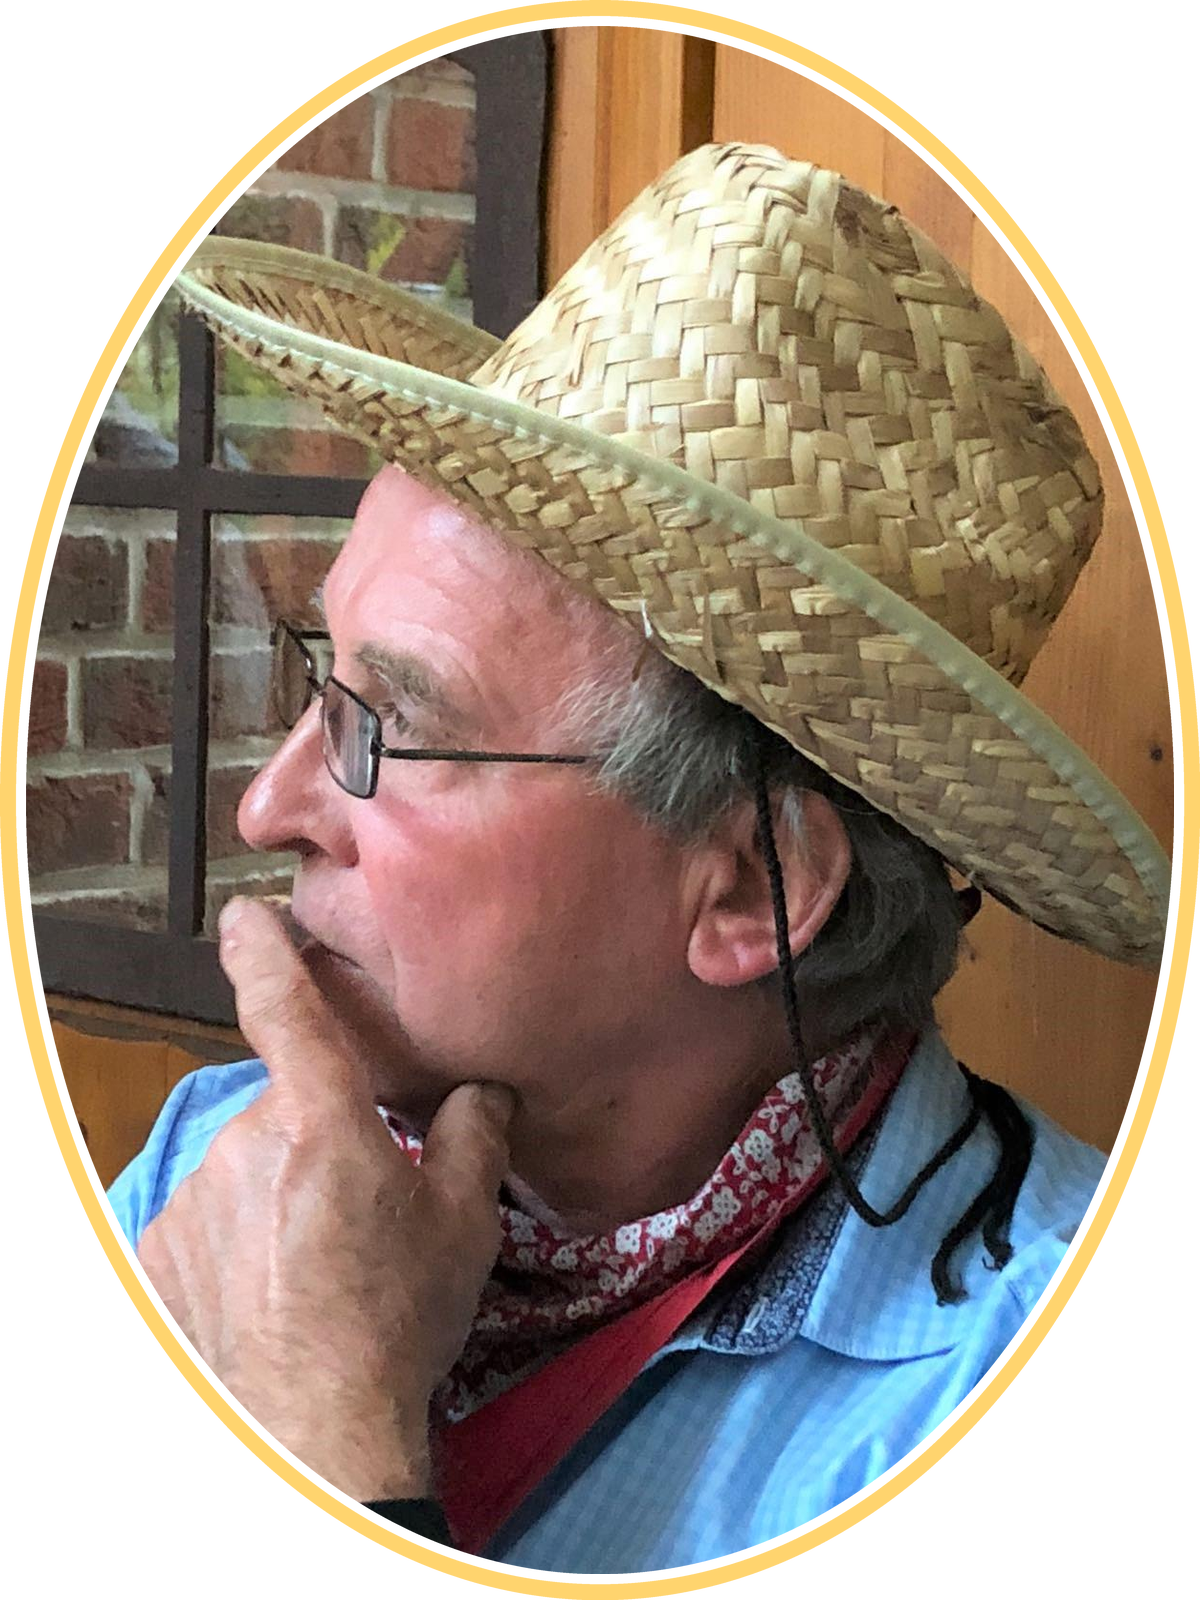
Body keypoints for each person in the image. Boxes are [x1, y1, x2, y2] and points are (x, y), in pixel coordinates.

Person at [106, 143, 1169, 1574]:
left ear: (753, 887)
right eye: (321, 683)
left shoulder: (1064, 1402)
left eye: (393, 728)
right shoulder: (236, 1164)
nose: (269, 808)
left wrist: (328, 1435)